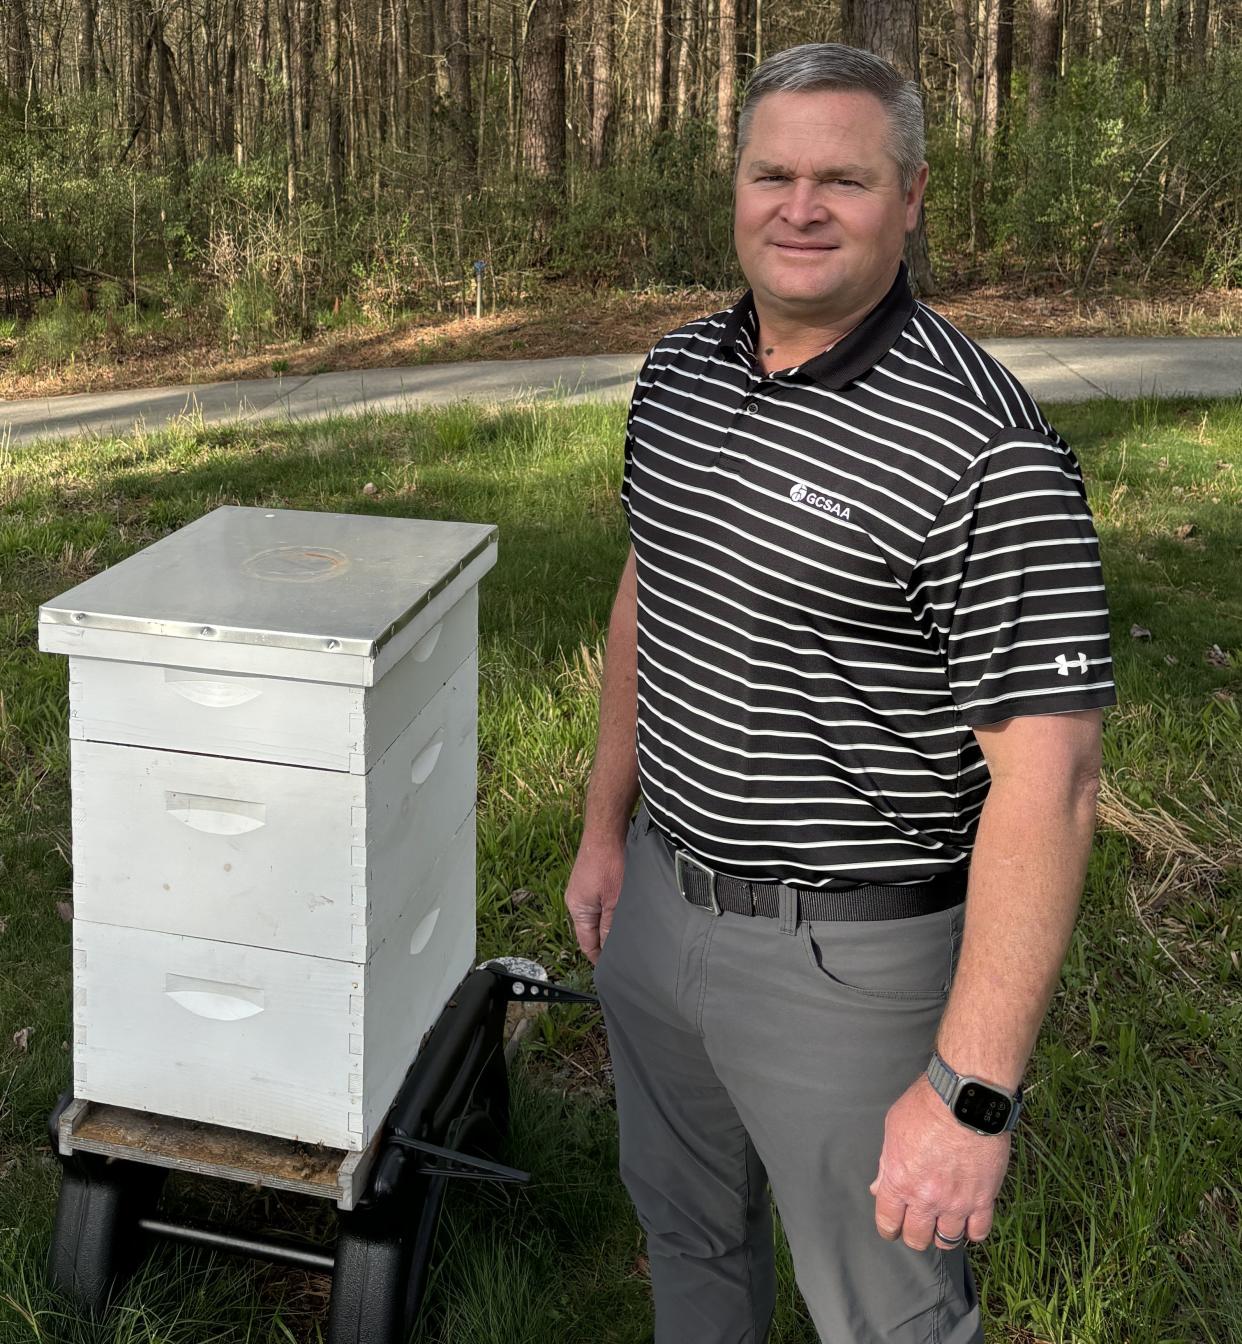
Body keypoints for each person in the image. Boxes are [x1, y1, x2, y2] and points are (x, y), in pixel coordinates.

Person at [564, 41, 1115, 1344]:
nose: (798, 207)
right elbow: (651, 595)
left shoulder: (985, 448)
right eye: (772, 173)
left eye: (842, 179)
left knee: (885, 1317)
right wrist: (604, 831)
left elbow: (1052, 780)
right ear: (735, 187)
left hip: (847, 965)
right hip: (658, 903)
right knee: (688, 1238)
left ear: (910, 197)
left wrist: (969, 1092)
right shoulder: (676, 380)